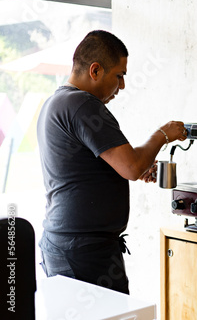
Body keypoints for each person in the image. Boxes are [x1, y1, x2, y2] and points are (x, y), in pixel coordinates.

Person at [36, 30, 186, 294]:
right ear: (95, 70)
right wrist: (163, 134)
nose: (122, 86)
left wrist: (130, 169)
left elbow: (85, 166)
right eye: (119, 76)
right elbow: (131, 167)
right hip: (83, 251)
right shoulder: (83, 105)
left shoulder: (56, 102)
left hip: (67, 244)